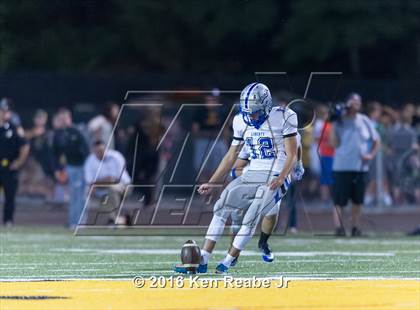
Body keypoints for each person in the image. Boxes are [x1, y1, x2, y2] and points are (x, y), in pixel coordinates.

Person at [175, 82, 298, 274]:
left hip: (276, 174)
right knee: (221, 207)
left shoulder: (284, 116)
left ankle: (227, 261)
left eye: (255, 112)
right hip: (252, 172)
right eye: (248, 112)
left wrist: (282, 178)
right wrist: (213, 181)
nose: (251, 117)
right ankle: (203, 259)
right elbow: (231, 155)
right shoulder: (240, 120)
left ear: (266, 106)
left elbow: (292, 155)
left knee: (252, 215)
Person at [227, 131, 304, 265]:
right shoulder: (251, 131)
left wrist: (298, 163)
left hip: (273, 179)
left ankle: (263, 243)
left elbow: (297, 143)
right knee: (238, 215)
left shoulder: (287, 128)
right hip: (252, 178)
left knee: (271, 213)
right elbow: (235, 168)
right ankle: (232, 253)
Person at [329, 93, 380, 237]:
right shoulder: (339, 121)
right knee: (339, 201)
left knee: (358, 200)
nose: (355, 105)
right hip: (341, 167)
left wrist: (370, 154)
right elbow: (334, 144)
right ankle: (339, 228)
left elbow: (376, 140)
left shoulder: (364, 120)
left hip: (360, 167)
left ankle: (355, 227)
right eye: (353, 102)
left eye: (358, 102)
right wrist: (333, 121)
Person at [52, 108, 89, 229]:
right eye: (61, 119)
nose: (63, 121)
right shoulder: (59, 134)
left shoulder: (77, 131)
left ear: (69, 118)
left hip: (81, 166)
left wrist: (87, 168)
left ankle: (80, 221)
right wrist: (57, 169)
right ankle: (73, 221)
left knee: (80, 195)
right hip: (69, 167)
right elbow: (55, 153)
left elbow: (86, 150)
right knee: (73, 195)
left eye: (65, 118)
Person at [84, 140, 131, 225]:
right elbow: (90, 183)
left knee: (112, 190)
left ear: (106, 149)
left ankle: (113, 220)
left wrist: (98, 182)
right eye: (97, 152)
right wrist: (103, 182)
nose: (99, 154)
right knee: (84, 192)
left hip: (124, 185)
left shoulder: (116, 157)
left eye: (101, 151)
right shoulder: (90, 160)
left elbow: (114, 180)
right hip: (102, 189)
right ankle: (120, 220)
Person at [0, 101, 30, 226]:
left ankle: (8, 221)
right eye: (3, 110)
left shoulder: (15, 128)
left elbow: (25, 146)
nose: (5, 113)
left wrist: (19, 162)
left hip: (9, 166)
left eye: (7, 111)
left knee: (10, 195)